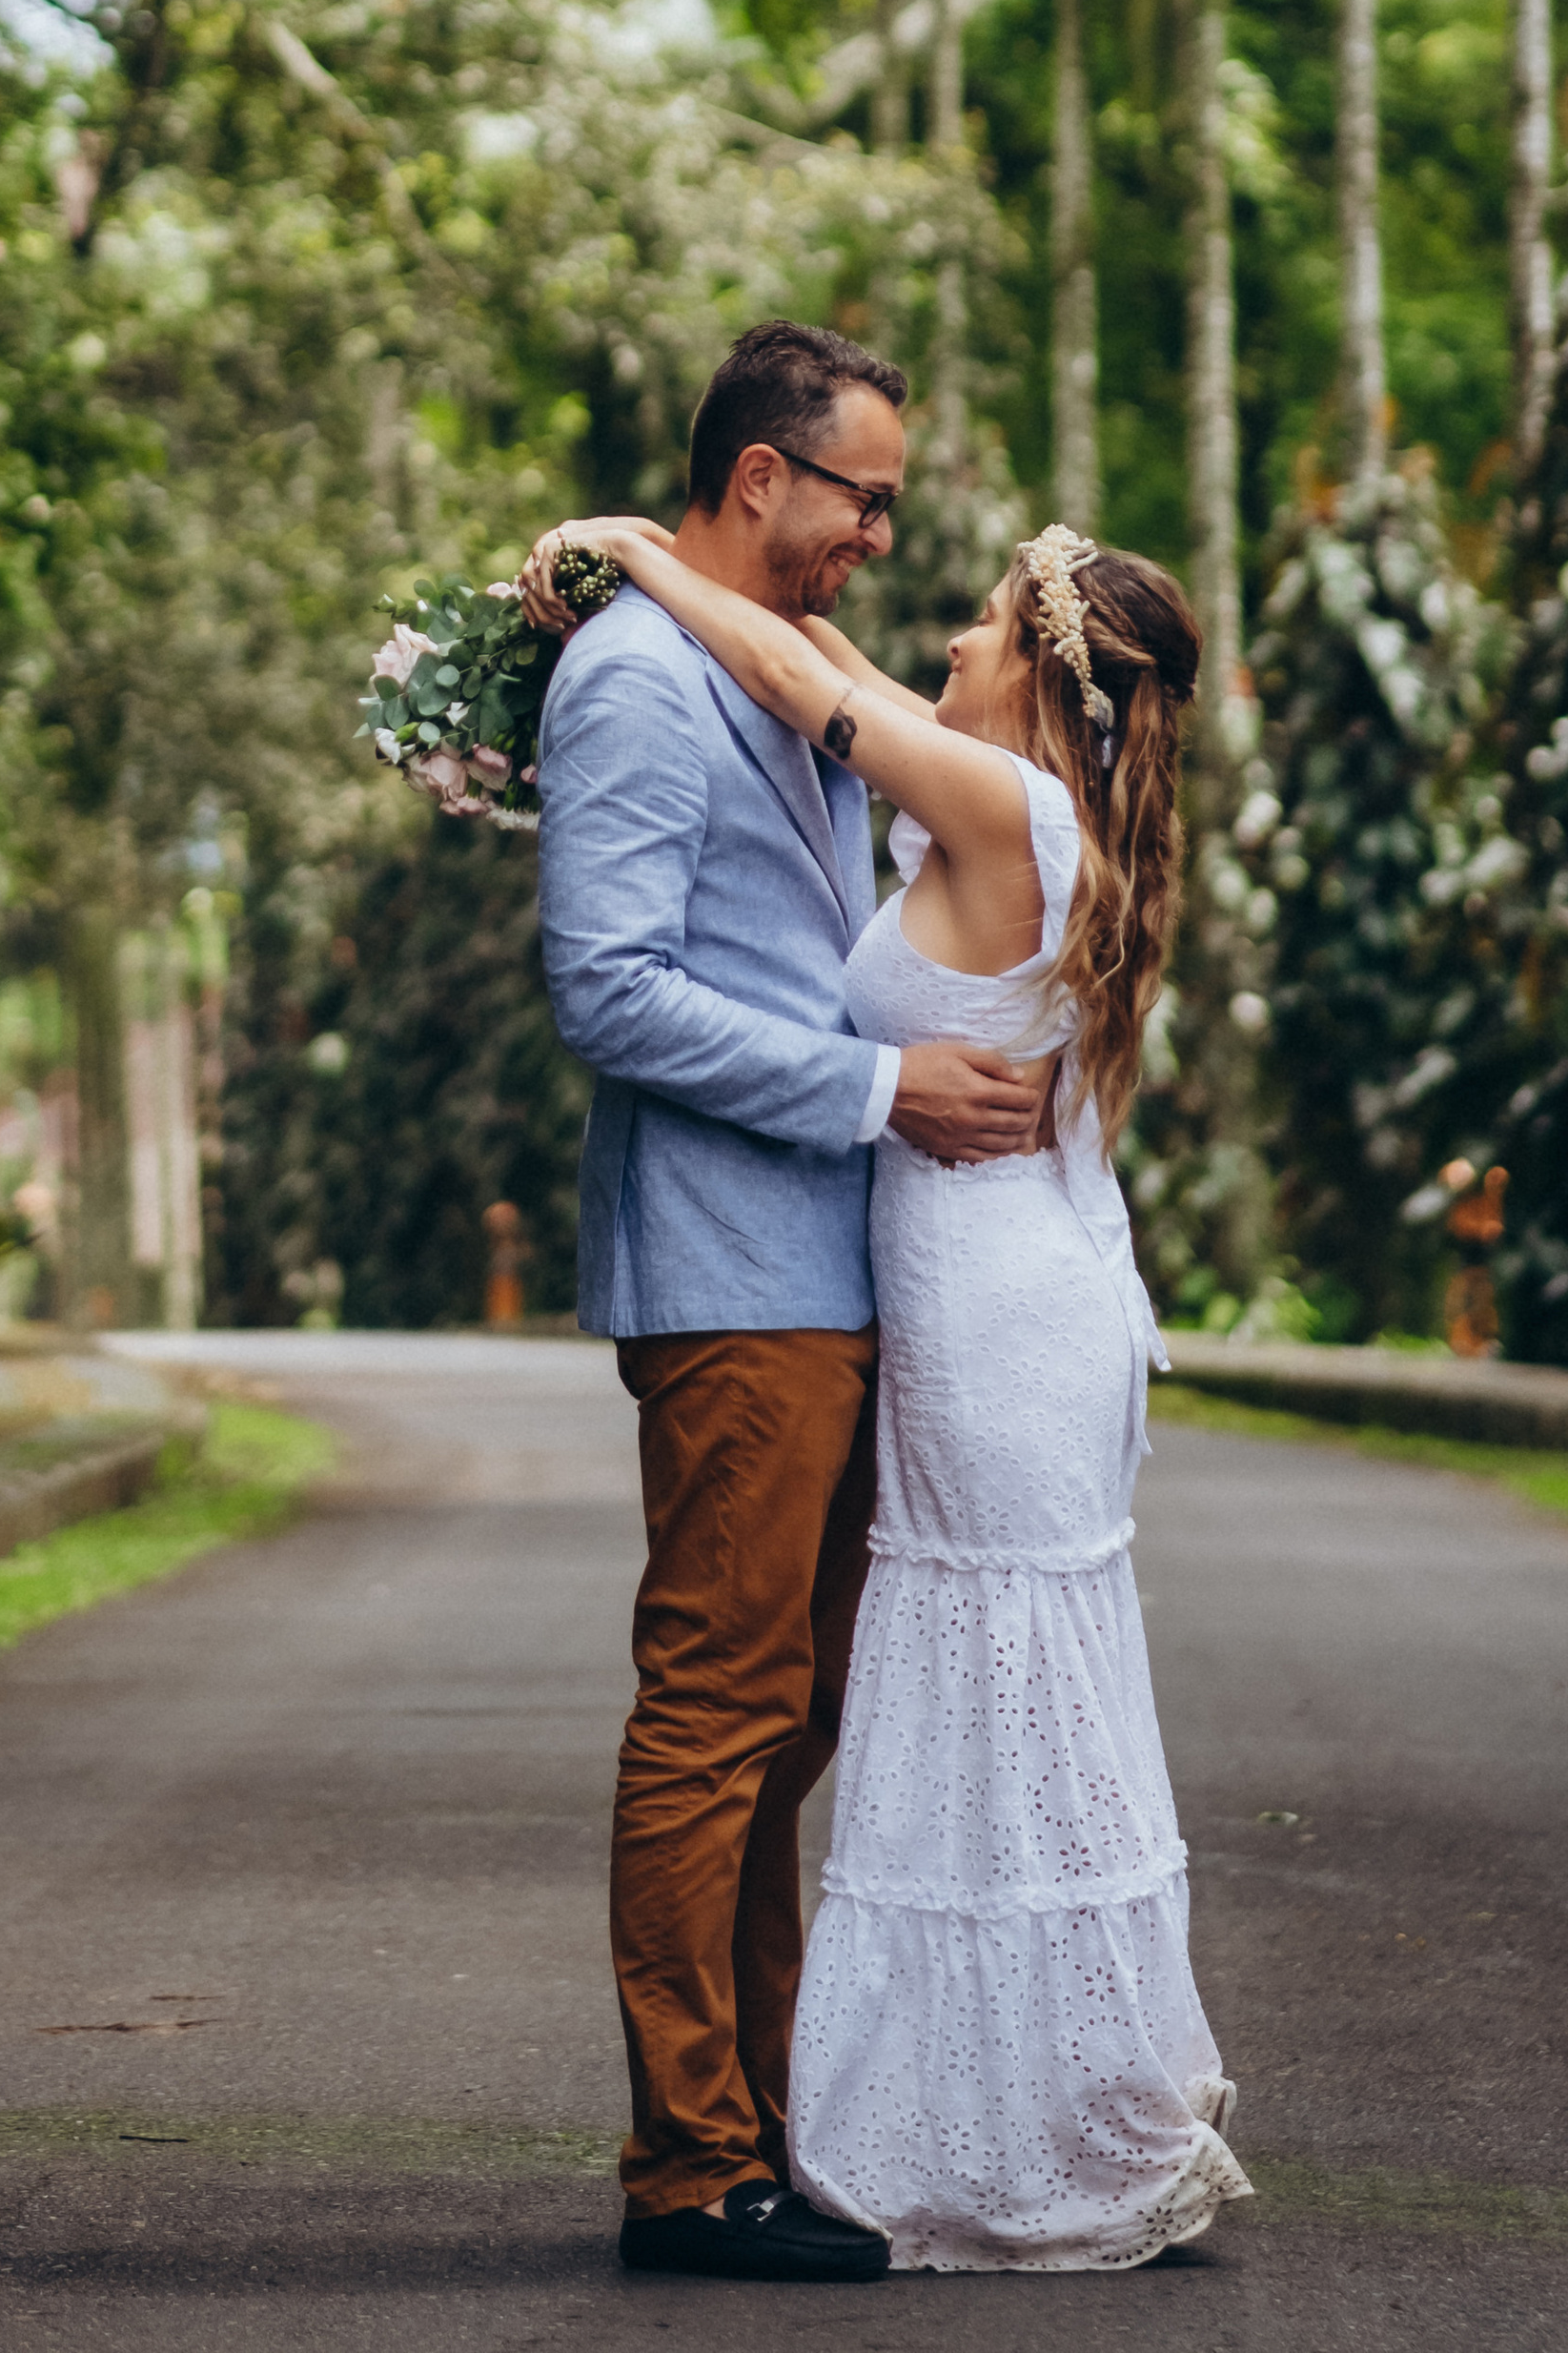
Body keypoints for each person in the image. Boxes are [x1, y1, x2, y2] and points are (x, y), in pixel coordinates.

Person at [533, 484, 1252, 2272]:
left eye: (992, 626)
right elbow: (831, 664)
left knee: (989, 1702)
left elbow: (799, 672)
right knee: (949, 1700)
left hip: (994, 1314)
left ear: (1052, 684)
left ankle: (1026, 2126)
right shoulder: (1030, 789)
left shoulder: (1001, 800)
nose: (948, 636)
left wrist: (638, 559)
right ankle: (998, 2099)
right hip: (981, 1289)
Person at [528, 322, 1049, 2286]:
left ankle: (759, 2124)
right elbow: (608, 988)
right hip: (731, 1270)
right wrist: (875, 1087)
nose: (879, 536)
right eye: (864, 496)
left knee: (794, 1709)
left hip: (836, 1268)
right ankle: (689, 2166)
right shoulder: (645, 688)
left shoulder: (764, 666)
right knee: (719, 1705)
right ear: (761, 477)